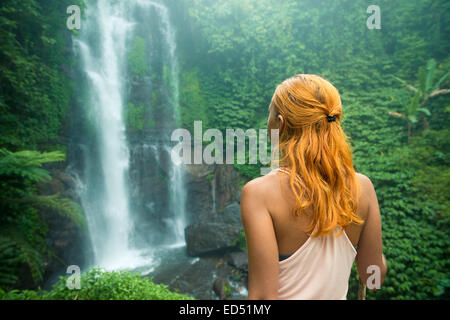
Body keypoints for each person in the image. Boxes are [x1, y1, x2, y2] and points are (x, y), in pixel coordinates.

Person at [241, 74, 387, 300]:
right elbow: (373, 279)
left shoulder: (259, 194)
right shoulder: (363, 187)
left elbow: (262, 298)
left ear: (280, 123)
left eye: (269, 116)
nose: (267, 123)